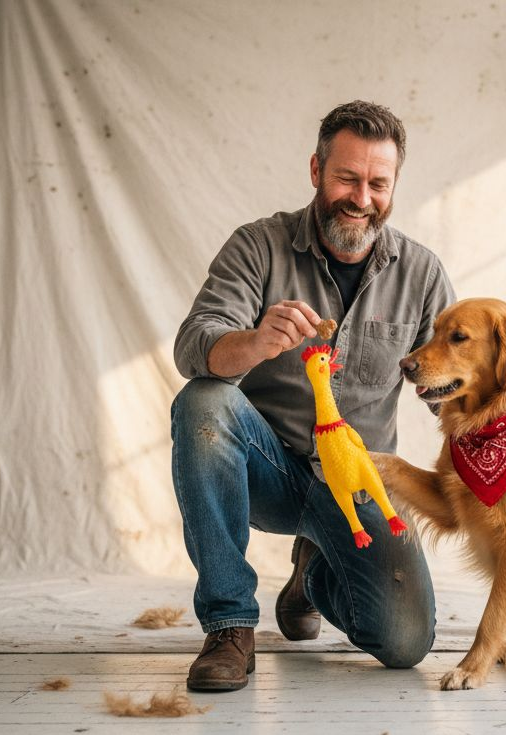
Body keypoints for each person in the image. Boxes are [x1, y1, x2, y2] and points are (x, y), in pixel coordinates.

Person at [171, 101, 454, 692]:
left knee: (406, 644)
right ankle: (229, 622)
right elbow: (194, 344)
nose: (361, 198)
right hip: (268, 470)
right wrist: (254, 341)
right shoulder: (258, 246)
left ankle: (315, 572)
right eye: (347, 178)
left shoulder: (422, 273)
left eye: (378, 183)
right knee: (202, 403)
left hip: (357, 486)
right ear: (316, 170)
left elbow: (449, 389)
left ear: (394, 186)